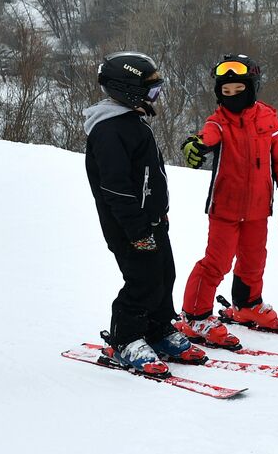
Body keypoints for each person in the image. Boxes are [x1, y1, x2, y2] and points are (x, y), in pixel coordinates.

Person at [84, 52, 204, 374]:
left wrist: (156, 215)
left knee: (164, 274)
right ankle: (126, 338)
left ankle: (158, 327)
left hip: (151, 222)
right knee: (142, 279)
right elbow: (116, 189)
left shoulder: (130, 123)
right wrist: (136, 230)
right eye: (151, 92)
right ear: (128, 91)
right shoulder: (109, 131)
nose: (155, 98)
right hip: (128, 227)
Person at [178, 54, 278, 349]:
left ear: (252, 87)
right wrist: (193, 144)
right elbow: (206, 136)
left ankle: (247, 306)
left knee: (254, 260)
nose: (231, 96)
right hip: (225, 208)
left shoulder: (269, 119)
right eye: (225, 91)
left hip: (259, 208)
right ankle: (194, 315)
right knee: (216, 263)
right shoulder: (218, 122)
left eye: (238, 89)